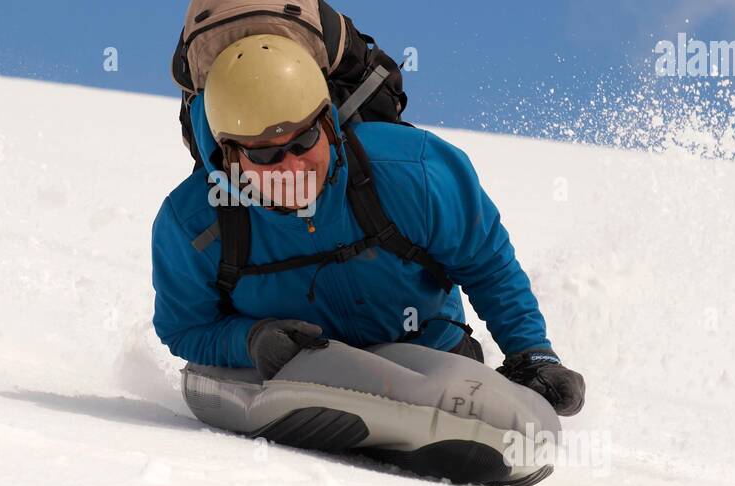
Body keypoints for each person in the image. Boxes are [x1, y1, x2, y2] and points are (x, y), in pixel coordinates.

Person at [151, 32, 585, 426]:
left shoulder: (417, 170)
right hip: (289, 373)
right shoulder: (192, 225)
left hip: (429, 359)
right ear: (229, 156)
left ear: (328, 123)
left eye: (303, 141)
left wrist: (533, 355)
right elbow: (185, 327)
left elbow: (487, 266)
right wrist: (249, 340)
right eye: (265, 156)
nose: (292, 166)